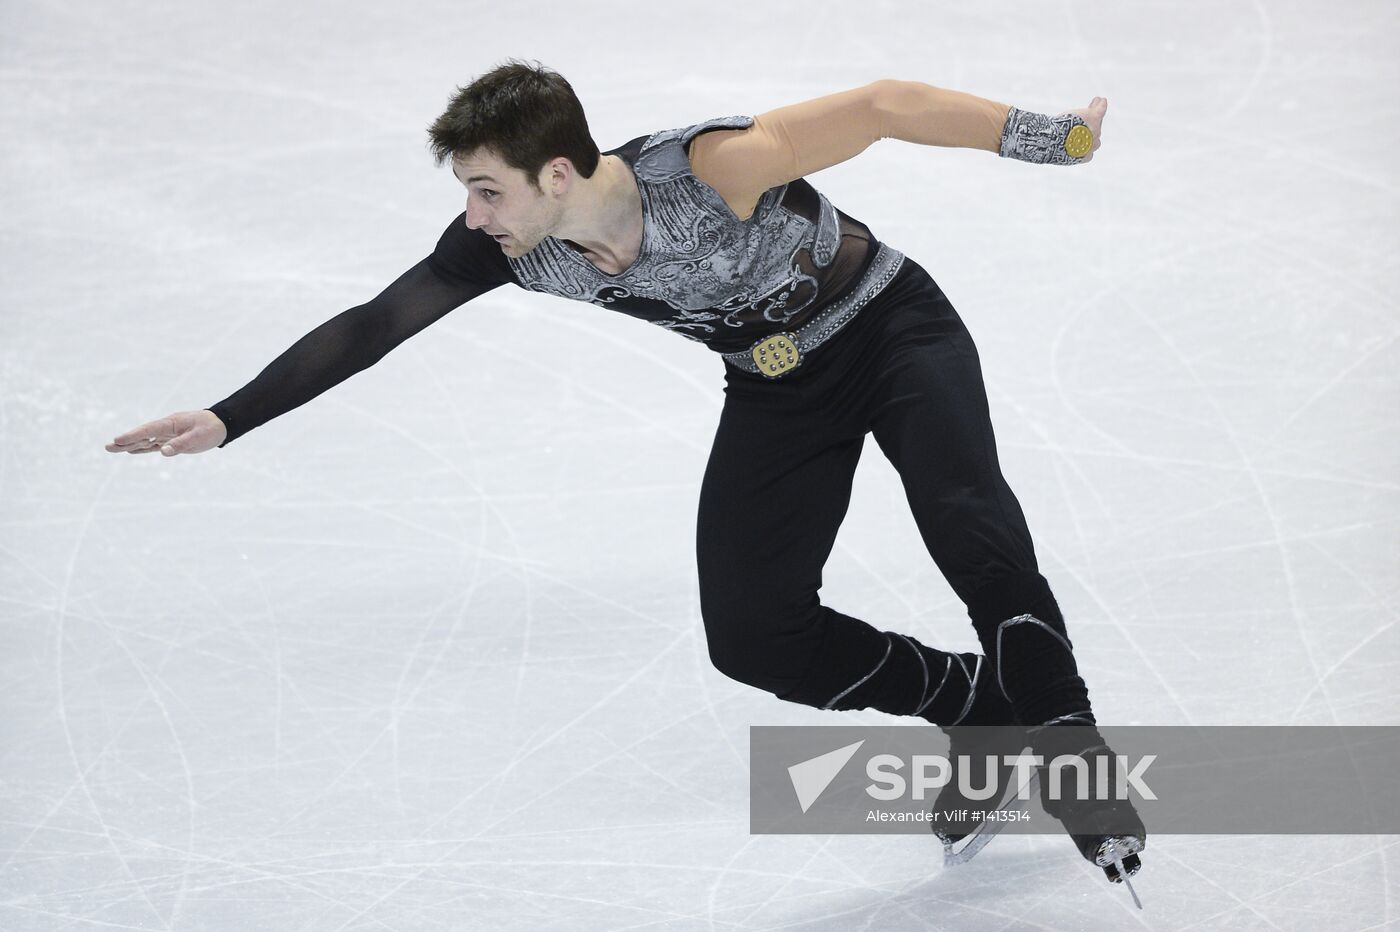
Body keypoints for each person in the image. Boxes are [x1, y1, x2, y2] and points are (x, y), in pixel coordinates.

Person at [105, 59, 1142, 882]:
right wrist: (230, 415)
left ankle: (1071, 752)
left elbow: (879, 104)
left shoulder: (707, 167)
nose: (473, 216)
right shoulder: (508, 247)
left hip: (891, 331)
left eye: (485, 190)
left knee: (969, 527)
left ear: (555, 173)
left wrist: (1058, 138)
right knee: (752, 633)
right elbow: (377, 325)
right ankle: (969, 704)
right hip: (776, 384)